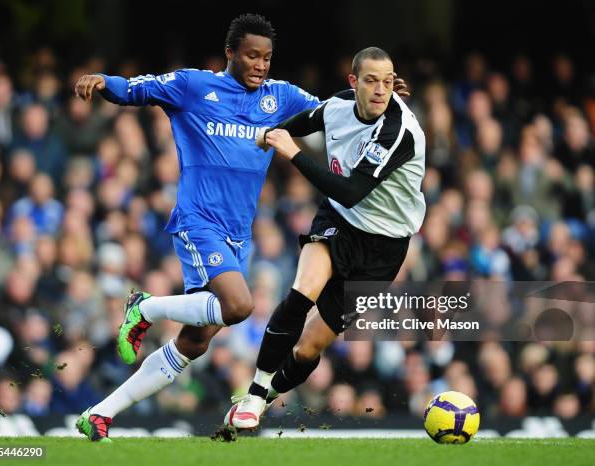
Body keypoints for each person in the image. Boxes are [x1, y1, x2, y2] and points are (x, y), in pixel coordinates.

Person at [72, 13, 411, 442]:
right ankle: (144, 307)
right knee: (238, 306)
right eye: (251, 55)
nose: (260, 65)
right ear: (230, 53)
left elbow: (335, 110)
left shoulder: (280, 97)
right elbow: (141, 87)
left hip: (238, 235)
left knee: (195, 343)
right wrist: (103, 81)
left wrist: (373, 91)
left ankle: (99, 414)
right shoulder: (195, 86)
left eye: (267, 58)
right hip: (199, 222)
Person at [225, 47, 425, 429]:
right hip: (340, 220)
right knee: (302, 293)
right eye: (371, 80)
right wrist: (271, 132)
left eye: (387, 81)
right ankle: (252, 395)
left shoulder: (398, 132)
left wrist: (291, 152)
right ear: (353, 82)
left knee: (308, 348)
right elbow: (304, 122)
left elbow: (352, 189)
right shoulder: (337, 106)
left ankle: (264, 397)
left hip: (384, 248)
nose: (381, 90)